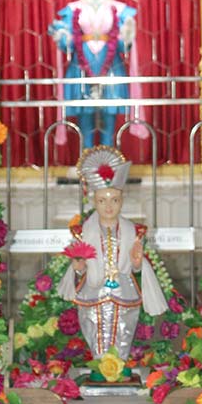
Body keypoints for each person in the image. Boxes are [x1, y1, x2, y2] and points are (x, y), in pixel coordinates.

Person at [57, 147, 167, 365]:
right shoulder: (82, 233)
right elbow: (80, 269)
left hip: (124, 292)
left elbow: (135, 268)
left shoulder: (134, 231)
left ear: (121, 201)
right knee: (95, 330)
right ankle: (101, 368)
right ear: (94, 202)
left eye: (114, 200)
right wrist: (78, 267)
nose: (108, 206)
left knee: (123, 332)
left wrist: (137, 264)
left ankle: (119, 367)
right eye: (102, 200)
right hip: (93, 292)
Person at [48, 0, 138, 148]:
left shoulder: (121, 10)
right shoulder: (72, 10)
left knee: (109, 122)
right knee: (85, 123)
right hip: (81, 69)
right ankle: (86, 162)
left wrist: (127, 36)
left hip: (111, 69)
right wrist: (63, 38)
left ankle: (109, 161)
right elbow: (67, 43)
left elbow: (124, 45)